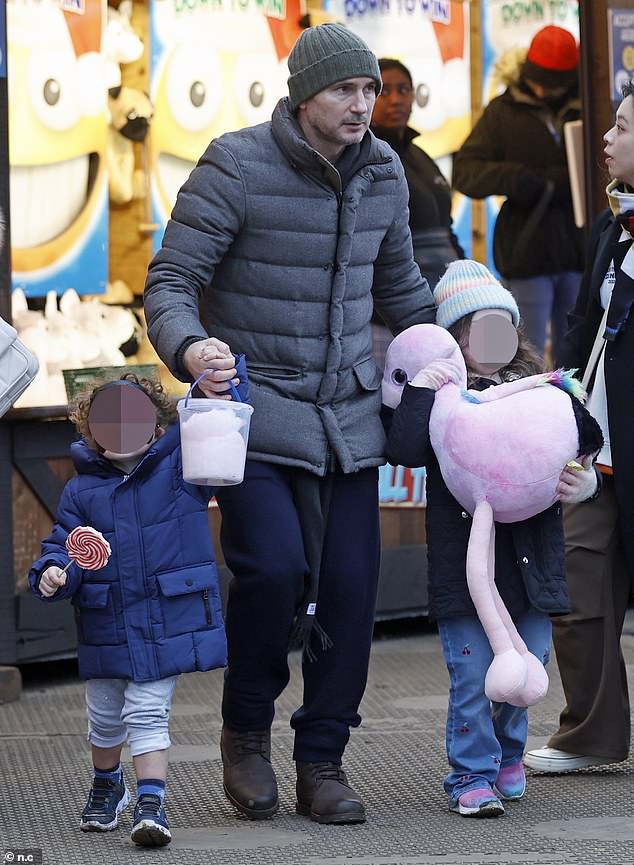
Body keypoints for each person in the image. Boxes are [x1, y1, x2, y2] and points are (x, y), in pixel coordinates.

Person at [143, 22, 436, 825]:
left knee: (349, 592)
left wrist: (462, 354)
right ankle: (245, 734)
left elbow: (403, 292)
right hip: (253, 412)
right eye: (346, 89)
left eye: (370, 89)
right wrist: (191, 344)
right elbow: (170, 280)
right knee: (271, 571)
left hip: (348, 417)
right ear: (304, 92)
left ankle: (324, 759)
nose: (363, 104)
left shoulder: (384, 173)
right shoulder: (234, 164)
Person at [382, 259, 602, 817]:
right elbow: (403, 450)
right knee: (473, 675)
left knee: (528, 668)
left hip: (533, 564)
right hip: (464, 566)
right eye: (475, 327)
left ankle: (508, 754)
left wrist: (584, 483)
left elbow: (585, 438)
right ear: (455, 339)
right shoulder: (445, 404)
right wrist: (420, 393)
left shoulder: (543, 392)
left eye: (501, 324)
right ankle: (469, 775)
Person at [28, 368, 247, 847]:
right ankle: (108, 784)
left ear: (157, 424)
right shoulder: (80, 492)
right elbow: (65, 546)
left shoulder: (183, 470)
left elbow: (222, 421)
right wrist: (54, 571)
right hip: (106, 622)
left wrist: (222, 380)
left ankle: (153, 800)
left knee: (148, 711)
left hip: (165, 619)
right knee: (104, 717)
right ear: (90, 430)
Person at [524, 79, 634, 774]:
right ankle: (590, 734)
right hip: (597, 446)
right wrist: (556, 394)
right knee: (575, 586)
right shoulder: (608, 225)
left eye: (621, 127)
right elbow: (581, 329)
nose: (606, 138)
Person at [452, 25, 584, 361]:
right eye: (540, 79)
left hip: (580, 249)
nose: (544, 88)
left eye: (555, 83)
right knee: (526, 353)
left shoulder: (589, 105)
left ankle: (574, 412)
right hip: (527, 251)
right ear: (526, 72)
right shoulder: (503, 111)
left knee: (577, 349)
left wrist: (564, 180)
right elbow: (465, 172)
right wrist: (515, 178)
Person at [369, 57, 464, 369]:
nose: (396, 99)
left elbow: (445, 225)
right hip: (388, 317)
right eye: (385, 91)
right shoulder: (365, 157)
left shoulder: (421, 155)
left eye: (404, 89)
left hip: (437, 304)